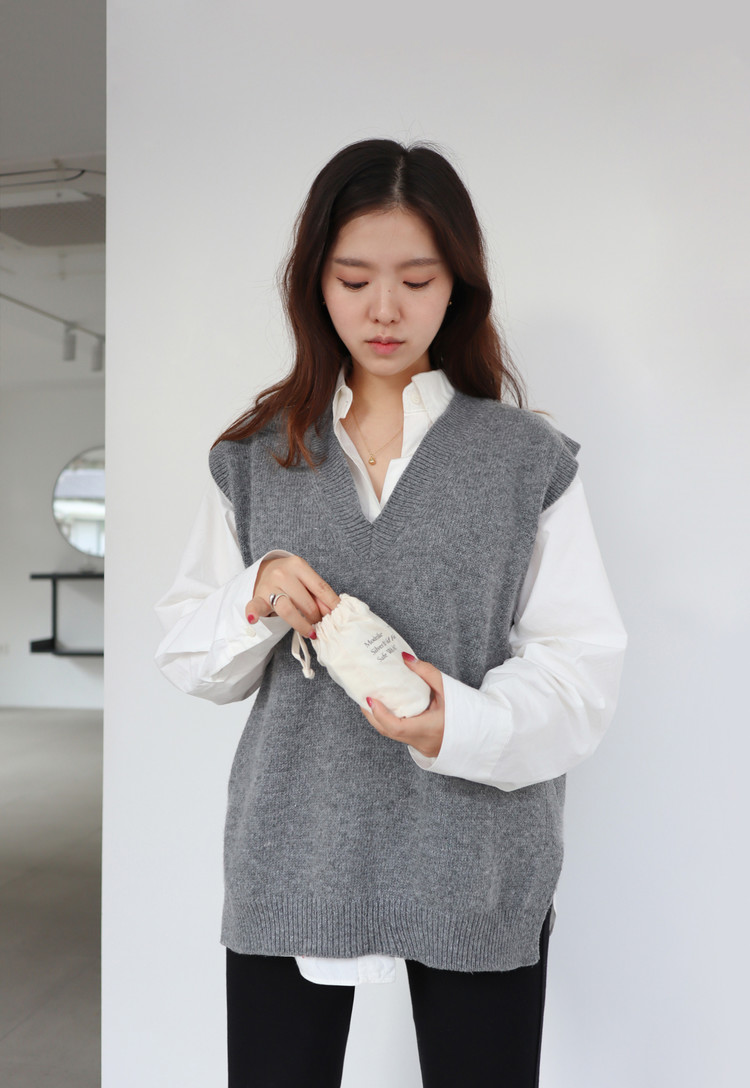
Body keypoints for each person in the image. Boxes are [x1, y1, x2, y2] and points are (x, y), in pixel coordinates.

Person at [154, 138, 627, 1088]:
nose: (383, 309)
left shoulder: (525, 459)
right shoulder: (253, 458)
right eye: (353, 278)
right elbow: (187, 657)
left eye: (416, 279)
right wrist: (255, 596)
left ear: (457, 287)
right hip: (293, 852)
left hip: (476, 857)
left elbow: (581, 670)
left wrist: (462, 721)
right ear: (314, 284)